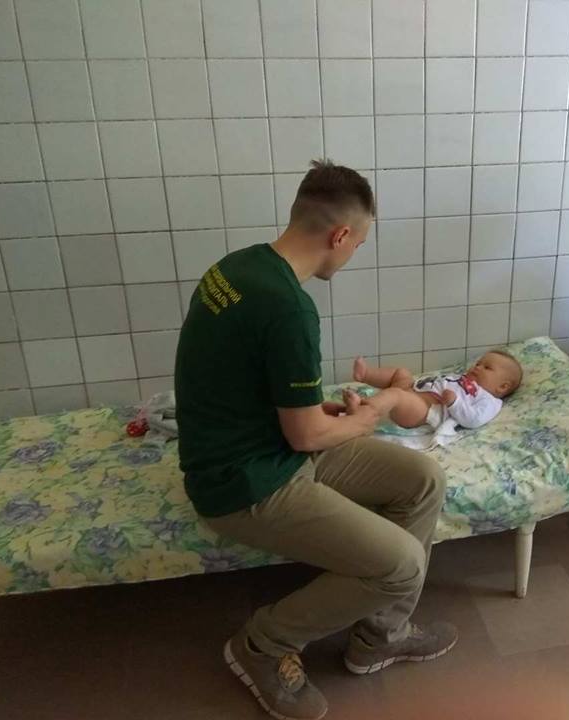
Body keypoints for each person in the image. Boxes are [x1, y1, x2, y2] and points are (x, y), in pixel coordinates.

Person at [174, 160, 457, 720]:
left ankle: (380, 636)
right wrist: (368, 415)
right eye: (359, 244)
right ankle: (262, 645)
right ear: (340, 235)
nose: (354, 255)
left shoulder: (237, 267)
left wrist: (320, 414)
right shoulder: (289, 307)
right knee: (402, 565)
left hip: (266, 444)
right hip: (243, 481)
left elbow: (246, 383)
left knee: (423, 479)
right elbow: (306, 436)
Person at [343, 351, 523, 430]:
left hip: (424, 410)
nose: (477, 367)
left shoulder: (489, 400)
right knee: (402, 373)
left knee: (395, 395)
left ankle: (362, 411)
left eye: (487, 368)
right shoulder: (464, 378)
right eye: (478, 363)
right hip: (414, 390)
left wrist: (454, 403)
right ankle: (366, 374)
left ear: (503, 386)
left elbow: (474, 419)